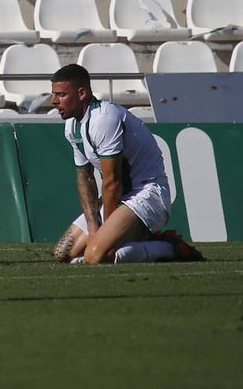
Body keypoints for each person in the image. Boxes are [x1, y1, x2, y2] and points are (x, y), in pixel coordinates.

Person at [49, 64, 203, 264]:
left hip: (146, 194)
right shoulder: (72, 126)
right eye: (53, 94)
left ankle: (170, 246)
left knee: (95, 255)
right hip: (120, 196)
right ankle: (141, 240)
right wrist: (94, 226)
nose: (54, 101)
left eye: (60, 95)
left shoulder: (103, 119)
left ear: (81, 93)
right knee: (64, 253)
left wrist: (105, 232)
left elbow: (113, 182)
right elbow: (85, 177)